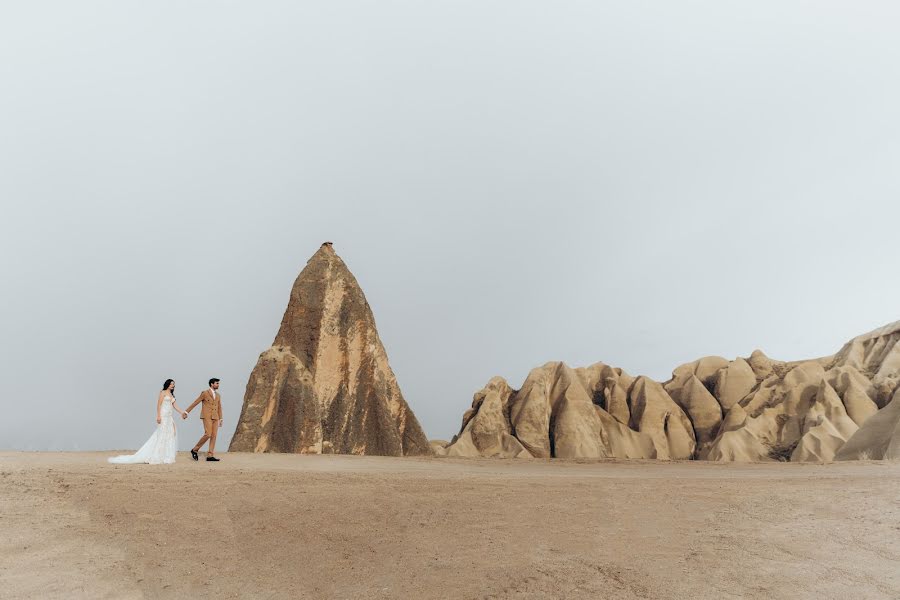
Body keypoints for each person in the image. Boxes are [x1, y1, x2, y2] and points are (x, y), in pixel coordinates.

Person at [108, 379, 187, 464]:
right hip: (163, 416)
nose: (173, 385)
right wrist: (158, 416)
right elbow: (159, 405)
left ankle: (166, 456)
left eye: (173, 384)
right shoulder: (163, 392)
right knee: (162, 434)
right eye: (171, 384)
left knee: (170, 435)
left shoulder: (171, 395)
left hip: (169, 417)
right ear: (168, 384)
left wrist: (182, 412)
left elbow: (175, 406)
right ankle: (157, 455)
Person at [186, 378, 223, 462]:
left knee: (214, 436)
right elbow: (195, 402)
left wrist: (221, 418)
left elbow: (219, 407)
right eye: (217, 383)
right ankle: (195, 449)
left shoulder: (218, 395)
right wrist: (186, 412)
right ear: (211, 384)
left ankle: (210, 455)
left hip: (215, 417)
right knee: (208, 434)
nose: (218, 385)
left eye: (218, 383)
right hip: (207, 416)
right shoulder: (205, 393)